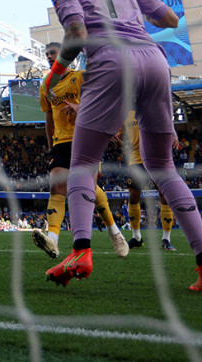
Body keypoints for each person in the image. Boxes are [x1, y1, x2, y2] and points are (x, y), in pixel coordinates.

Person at [41, 0, 202, 292]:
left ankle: (80, 250)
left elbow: (77, 35)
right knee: (164, 168)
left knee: (82, 164)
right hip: (155, 62)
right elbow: (170, 20)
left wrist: (56, 72)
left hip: (111, 59)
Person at [31, 42, 129, 260]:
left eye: (53, 53)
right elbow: (48, 118)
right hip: (61, 143)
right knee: (56, 187)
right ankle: (52, 241)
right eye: (46, 54)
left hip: (86, 138)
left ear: (64, 55)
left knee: (89, 189)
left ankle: (114, 231)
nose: (49, 56)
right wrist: (50, 146)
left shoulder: (83, 76)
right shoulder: (46, 84)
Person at [120, 111, 179, 251]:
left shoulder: (151, 106)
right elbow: (121, 137)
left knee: (164, 195)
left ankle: (166, 239)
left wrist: (173, 134)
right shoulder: (124, 113)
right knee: (133, 197)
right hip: (135, 159)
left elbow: (166, 119)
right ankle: (137, 238)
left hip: (155, 157)